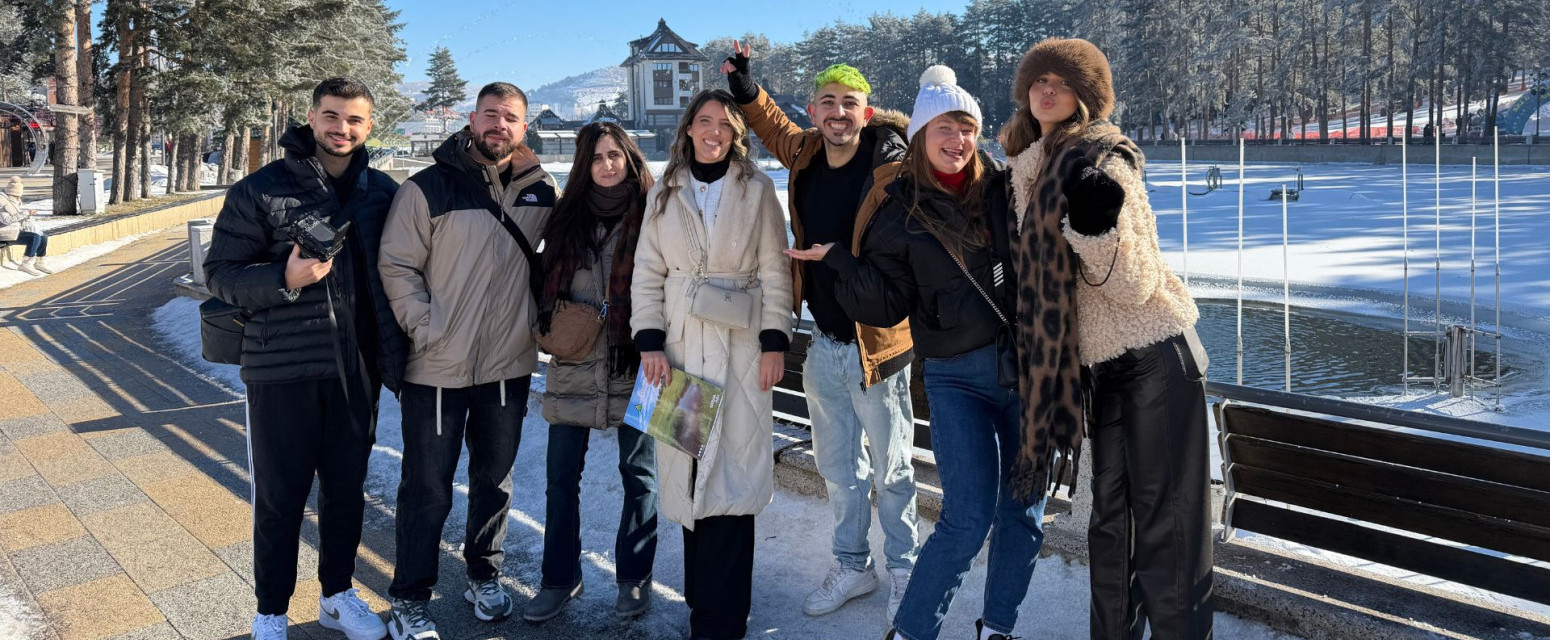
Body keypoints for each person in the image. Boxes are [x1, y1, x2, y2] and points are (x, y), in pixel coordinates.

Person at [788, 66, 1046, 640]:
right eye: (943, 129)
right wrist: (838, 262)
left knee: (1023, 515)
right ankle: (910, 630)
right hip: (956, 377)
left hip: (1026, 371)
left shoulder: (1004, 190)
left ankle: (997, 626)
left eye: (966, 128)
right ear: (923, 133)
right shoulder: (898, 208)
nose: (956, 141)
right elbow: (884, 304)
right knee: (966, 517)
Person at [1002, 38, 1213, 640]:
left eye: (1062, 83)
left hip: (1154, 357)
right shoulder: (1029, 166)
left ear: (1085, 98)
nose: (1048, 91)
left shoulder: (1104, 162)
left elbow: (1135, 286)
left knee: (1166, 532)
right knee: (1110, 528)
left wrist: (1094, 232)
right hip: (1100, 370)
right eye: (1039, 81)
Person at [202, 77, 407, 640]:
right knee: (280, 496)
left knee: (346, 491)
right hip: (282, 369)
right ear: (311, 119)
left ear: (370, 125)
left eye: (355, 120)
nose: (343, 129)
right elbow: (220, 275)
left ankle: (337, 596)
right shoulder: (261, 190)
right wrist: (283, 278)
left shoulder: (381, 192)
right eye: (332, 117)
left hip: (354, 370)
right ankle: (270, 611)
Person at [721, 44, 920, 619]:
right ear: (813, 110)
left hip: (878, 349)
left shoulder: (893, 166)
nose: (837, 112)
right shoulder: (805, 152)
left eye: (849, 103)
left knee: (895, 469)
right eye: (827, 102)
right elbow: (769, 122)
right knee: (839, 470)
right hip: (824, 345)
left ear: (867, 110)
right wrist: (745, 86)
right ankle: (852, 565)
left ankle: (905, 570)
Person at [378, 81, 553, 640]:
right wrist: (427, 328)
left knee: (494, 480)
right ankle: (409, 596)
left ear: (524, 129)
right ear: (471, 120)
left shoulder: (540, 190)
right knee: (426, 485)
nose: (499, 125)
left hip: (508, 365)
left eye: (511, 118)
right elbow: (397, 266)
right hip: (436, 368)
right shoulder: (427, 188)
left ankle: (484, 573)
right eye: (490, 114)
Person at [630, 88, 794, 640]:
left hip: (742, 345)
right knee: (687, 470)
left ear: (735, 133)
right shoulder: (664, 192)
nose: (714, 131)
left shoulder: (758, 189)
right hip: (675, 346)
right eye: (704, 121)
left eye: (724, 123)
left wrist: (775, 343)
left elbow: (776, 272)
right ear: (688, 129)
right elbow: (646, 274)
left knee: (731, 473)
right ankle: (701, 596)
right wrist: (648, 341)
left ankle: (722, 621)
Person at [526, 122, 659, 623]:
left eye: (616, 155)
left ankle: (635, 579)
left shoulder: (653, 213)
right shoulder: (564, 219)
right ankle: (559, 578)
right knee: (561, 477)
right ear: (585, 164)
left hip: (642, 362)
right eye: (598, 156)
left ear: (630, 159)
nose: (607, 164)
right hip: (575, 361)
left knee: (640, 476)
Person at [1, 177, 53, 276]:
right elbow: (6, 220)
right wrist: (26, 213)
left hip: (15, 231)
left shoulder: (13, 203)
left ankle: (39, 261)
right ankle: (26, 263)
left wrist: (27, 217)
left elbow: (16, 218)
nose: (19, 199)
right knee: (34, 237)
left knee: (43, 237)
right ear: (12, 194)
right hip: (5, 232)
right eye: (18, 197)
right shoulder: (2, 203)